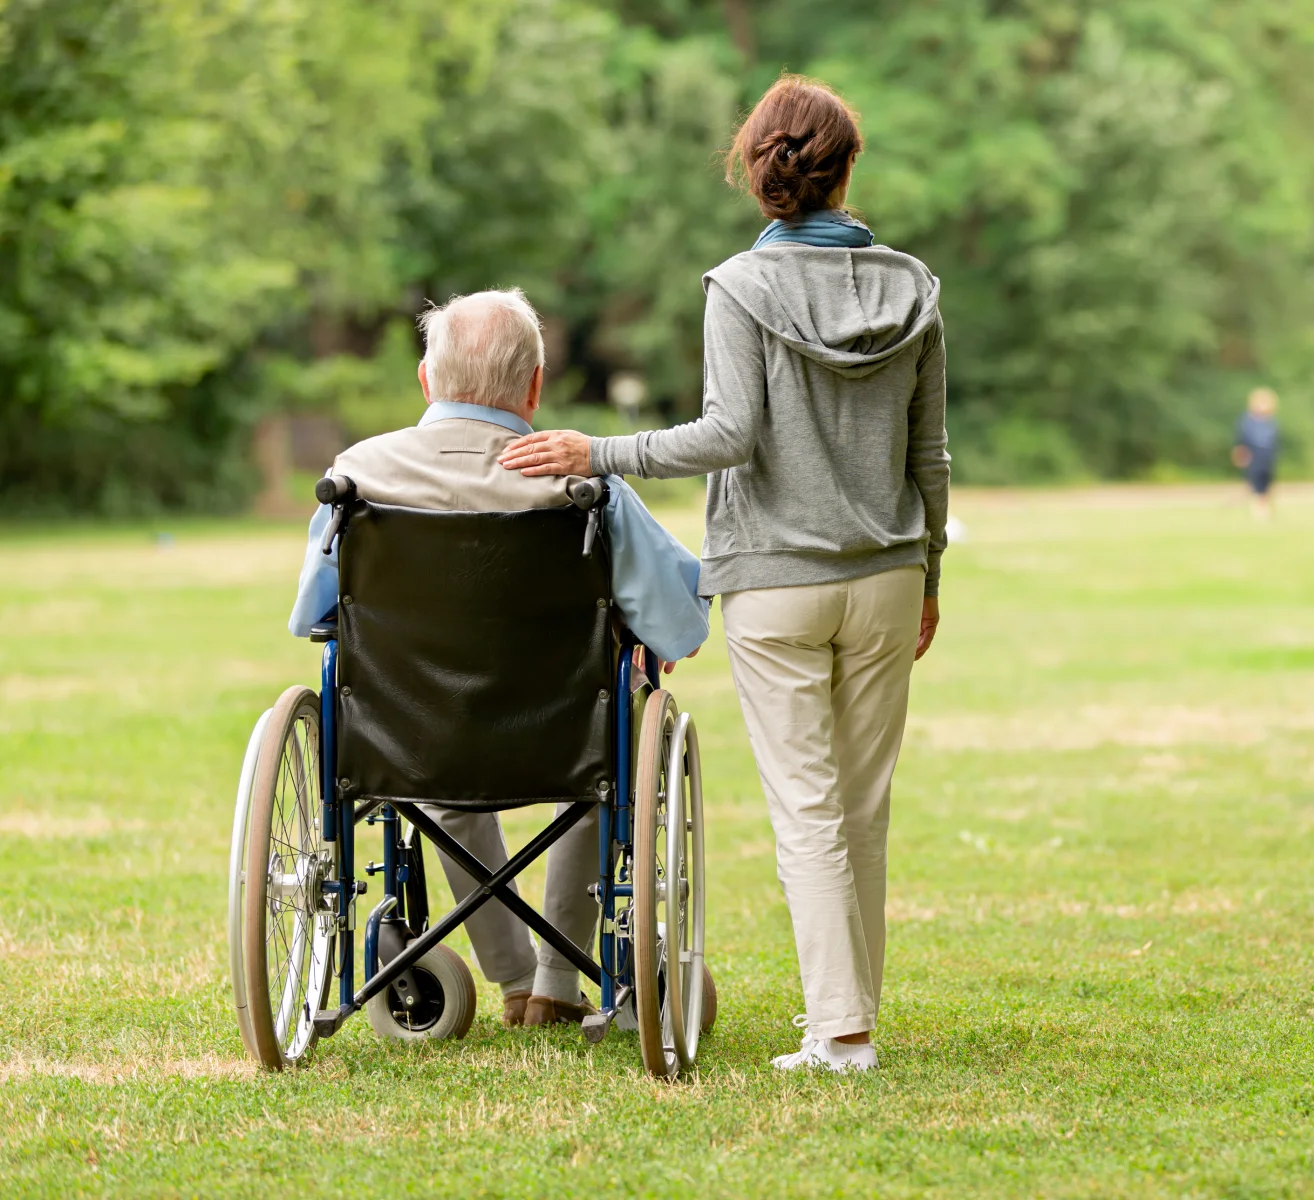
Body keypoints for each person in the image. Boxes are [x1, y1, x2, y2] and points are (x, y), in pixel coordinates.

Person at [499, 76, 949, 1073]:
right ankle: (848, 1015)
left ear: (757, 173)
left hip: (774, 581)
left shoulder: (738, 289)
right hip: (886, 576)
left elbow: (727, 435)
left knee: (809, 809)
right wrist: (931, 578)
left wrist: (596, 451)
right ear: (846, 170)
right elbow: (931, 459)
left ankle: (843, 1031)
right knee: (861, 807)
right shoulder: (914, 289)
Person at [287, 289, 711, 1028]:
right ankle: (553, 979)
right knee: (602, 754)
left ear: (427, 380)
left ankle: (514, 977)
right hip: (562, 736)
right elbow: (680, 627)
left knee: (436, 756)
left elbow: (315, 619)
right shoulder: (582, 484)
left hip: (416, 738)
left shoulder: (356, 476)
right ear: (535, 386)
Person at [1232, 387, 1280, 520]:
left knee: (1267, 484)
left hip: (1267, 457)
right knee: (1255, 483)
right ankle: (1258, 510)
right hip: (1253, 456)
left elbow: (1275, 441)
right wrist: (1240, 453)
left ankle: (1265, 507)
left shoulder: (1271, 422)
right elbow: (1241, 439)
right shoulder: (1247, 421)